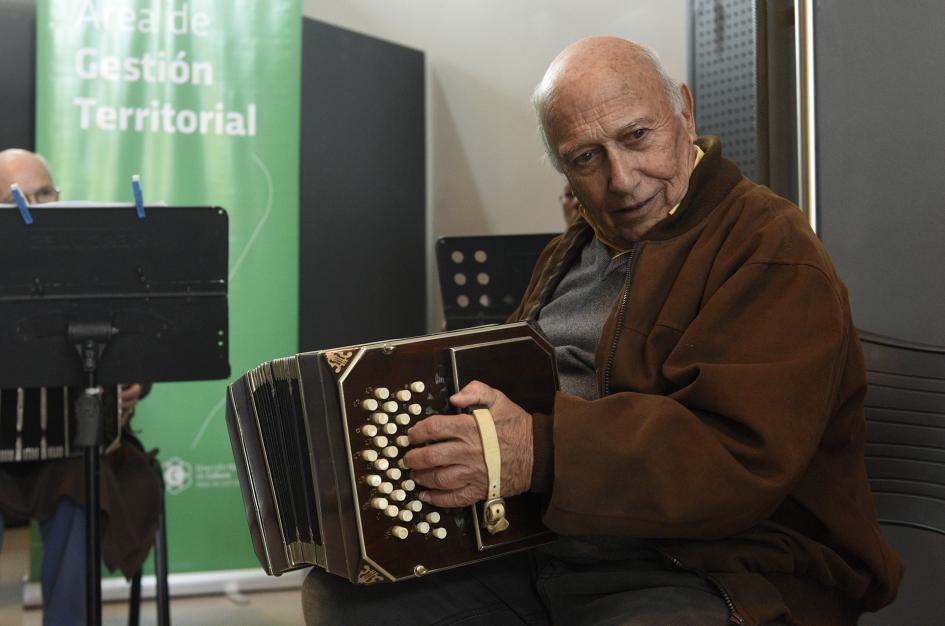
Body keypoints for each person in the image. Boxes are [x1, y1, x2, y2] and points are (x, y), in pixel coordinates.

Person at [302, 37, 903, 625]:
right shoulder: (574, 249)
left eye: (637, 137)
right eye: (586, 158)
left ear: (684, 113)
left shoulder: (770, 249)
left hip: (717, 564)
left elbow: (735, 460)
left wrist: (537, 451)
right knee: (346, 598)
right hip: (554, 542)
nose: (621, 179)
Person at [0, 148, 162, 626]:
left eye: (44, 194)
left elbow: (142, 344)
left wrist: (135, 384)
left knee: (86, 480)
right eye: (16, 201)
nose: (35, 208)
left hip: (72, 450)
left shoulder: (97, 264)